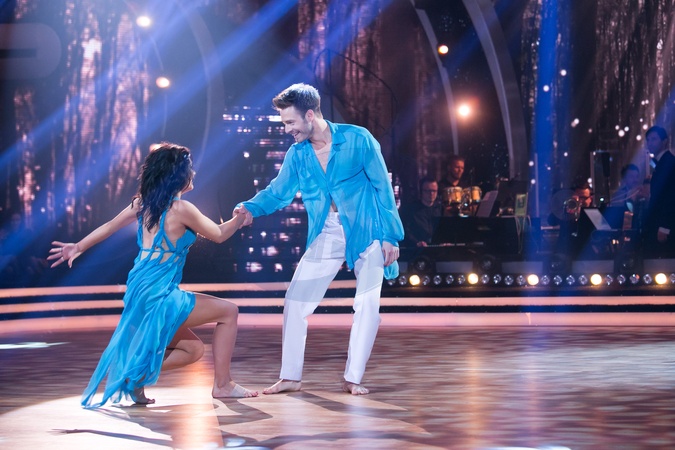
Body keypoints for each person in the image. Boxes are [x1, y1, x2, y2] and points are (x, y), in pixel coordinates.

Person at [48, 142, 258, 408]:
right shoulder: (181, 209)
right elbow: (218, 234)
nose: (193, 173)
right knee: (229, 312)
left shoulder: (144, 204)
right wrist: (240, 217)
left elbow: (109, 226)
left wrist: (78, 247)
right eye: (189, 168)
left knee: (193, 349)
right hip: (159, 293)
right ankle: (222, 385)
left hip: (140, 289)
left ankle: (135, 378)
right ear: (178, 175)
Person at [234, 83, 403, 396]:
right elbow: (278, 192)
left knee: (367, 305)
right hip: (327, 231)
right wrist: (249, 208)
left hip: (368, 231)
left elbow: (383, 187)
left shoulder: (358, 139)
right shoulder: (297, 154)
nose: (287, 129)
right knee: (295, 301)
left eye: (290, 122)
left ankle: (353, 378)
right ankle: (291, 377)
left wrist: (390, 235)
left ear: (310, 115)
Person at [642, 126, 675, 255]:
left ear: (664, 141)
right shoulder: (661, 162)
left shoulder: (668, 162)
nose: (650, 143)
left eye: (654, 139)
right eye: (648, 140)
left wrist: (664, 227)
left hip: (664, 225)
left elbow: (671, 196)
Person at [399, 176, 442, 247]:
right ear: (421, 191)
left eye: (434, 191)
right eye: (428, 191)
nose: (431, 194)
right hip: (416, 249)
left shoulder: (441, 209)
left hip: (437, 249)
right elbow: (405, 231)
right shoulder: (410, 210)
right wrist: (416, 242)